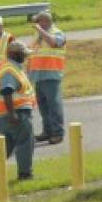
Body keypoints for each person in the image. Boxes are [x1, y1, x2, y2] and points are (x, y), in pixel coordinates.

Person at [0, 40, 36, 181]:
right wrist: (12, 114)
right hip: (16, 113)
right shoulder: (9, 70)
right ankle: (25, 174)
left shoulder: (11, 67)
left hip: (7, 113)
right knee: (25, 142)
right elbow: (7, 91)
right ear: (17, 55)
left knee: (6, 144)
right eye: (24, 54)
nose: (26, 57)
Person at [29, 10, 66, 144]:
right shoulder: (37, 36)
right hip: (38, 76)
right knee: (43, 107)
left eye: (39, 21)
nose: (37, 24)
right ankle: (48, 130)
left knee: (54, 106)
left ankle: (58, 133)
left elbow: (54, 43)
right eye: (37, 22)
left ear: (46, 21)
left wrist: (40, 31)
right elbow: (32, 55)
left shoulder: (57, 33)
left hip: (51, 75)